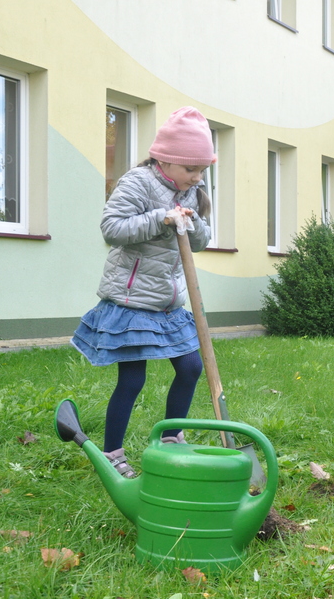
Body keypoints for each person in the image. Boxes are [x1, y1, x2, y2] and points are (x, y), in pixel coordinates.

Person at [71, 107, 215, 478]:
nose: (198, 177)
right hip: (132, 302)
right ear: (165, 159)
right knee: (133, 379)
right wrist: (160, 218)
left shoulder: (192, 190)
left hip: (168, 303)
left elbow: (201, 242)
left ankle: (171, 438)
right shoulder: (138, 182)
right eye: (191, 169)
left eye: (202, 170)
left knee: (191, 367)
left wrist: (193, 222)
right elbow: (112, 228)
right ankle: (112, 453)